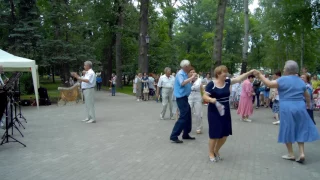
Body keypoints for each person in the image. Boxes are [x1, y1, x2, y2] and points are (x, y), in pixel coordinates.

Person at [256, 60, 319, 163]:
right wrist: (308, 104)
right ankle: (302, 153)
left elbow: (269, 84)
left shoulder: (282, 80)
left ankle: (291, 154)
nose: (283, 69)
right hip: (300, 107)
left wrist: (259, 75)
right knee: (300, 128)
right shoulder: (300, 81)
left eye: (284, 67)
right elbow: (306, 94)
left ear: (288, 70)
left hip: (287, 107)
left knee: (287, 129)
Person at [203, 65, 255, 162]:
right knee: (214, 134)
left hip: (225, 110)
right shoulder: (211, 84)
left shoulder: (227, 82)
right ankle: (211, 153)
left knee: (225, 134)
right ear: (218, 74)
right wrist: (211, 99)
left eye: (226, 72)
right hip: (214, 111)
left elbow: (239, 78)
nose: (226, 74)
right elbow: (204, 96)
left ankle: (216, 150)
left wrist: (250, 72)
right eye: (224, 72)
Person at [170, 60, 197, 143]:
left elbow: (187, 84)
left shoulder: (185, 74)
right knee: (183, 116)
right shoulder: (180, 74)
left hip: (184, 97)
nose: (190, 67)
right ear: (185, 66)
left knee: (188, 115)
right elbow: (182, 83)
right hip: (181, 98)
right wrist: (192, 78)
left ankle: (186, 133)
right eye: (189, 65)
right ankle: (174, 135)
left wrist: (191, 81)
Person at [188, 68, 204, 134]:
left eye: (193, 72)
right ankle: (186, 127)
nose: (192, 73)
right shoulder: (187, 80)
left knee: (198, 113)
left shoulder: (199, 80)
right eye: (191, 72)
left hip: (197, 95)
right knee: (188, 112)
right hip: (189, 95)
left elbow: (202, 88)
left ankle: (198, 127)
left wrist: (203, 96)